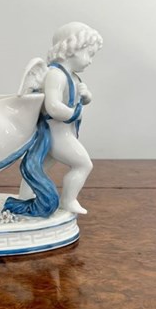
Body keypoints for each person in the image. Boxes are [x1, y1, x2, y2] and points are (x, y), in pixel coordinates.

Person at [43, 22, 103, 214]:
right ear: (71, 49)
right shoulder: (55, 75)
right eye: (89, 54)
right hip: (56, 135)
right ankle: (68, 200)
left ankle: (26, 197)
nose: (90, 61)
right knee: (83, 165)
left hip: (66, 133)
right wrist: (75, 113)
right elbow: (53, 106)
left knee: (41, 168)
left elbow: (79, 99)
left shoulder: (74, 77)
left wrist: (86, 96)